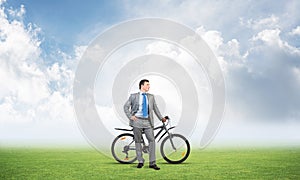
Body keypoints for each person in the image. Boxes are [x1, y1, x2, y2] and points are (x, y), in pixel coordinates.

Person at [124, 79, 166, 170]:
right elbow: (126, 107)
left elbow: (155, 108)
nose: (149, 86)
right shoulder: (133, 96)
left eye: (149, 85)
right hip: (137, 121)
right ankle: (140, 161)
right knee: (138, 141)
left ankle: (152, 163)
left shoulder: (151, 97)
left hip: (148, 121)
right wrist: (131, 116)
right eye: (147, 85)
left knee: (152, 141)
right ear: (142, 86)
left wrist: (161, 118)